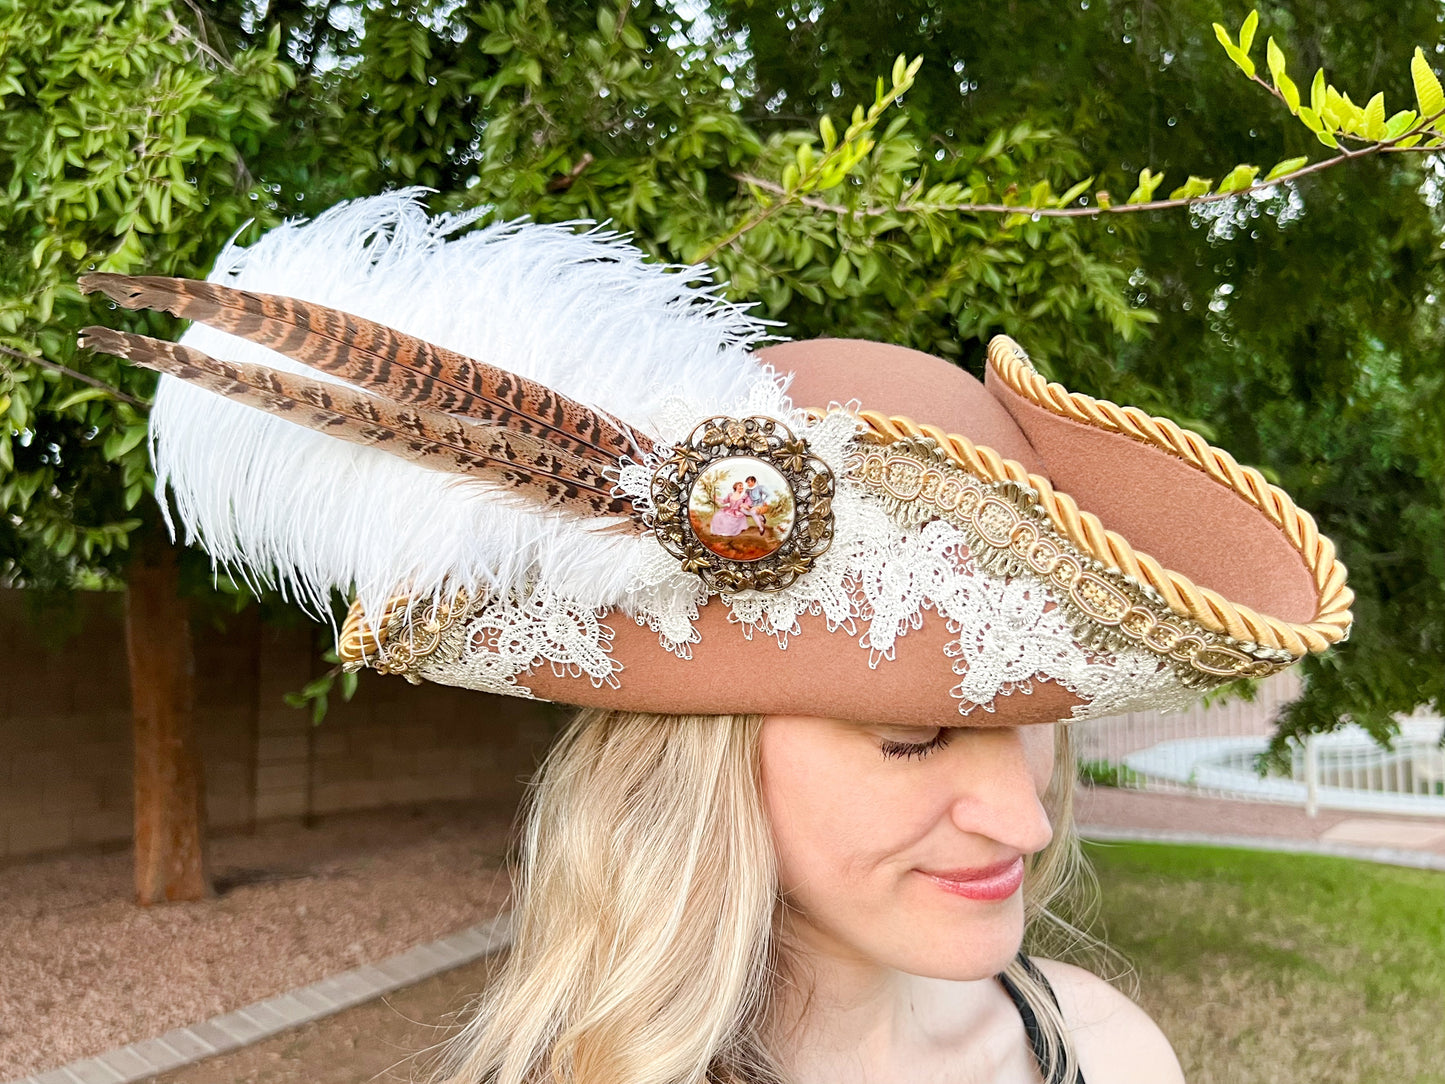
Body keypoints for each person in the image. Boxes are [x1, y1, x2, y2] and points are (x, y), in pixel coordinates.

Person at [80, 192, 1351, 1084]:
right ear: (702, 761)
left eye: (1032, 733)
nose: (1022, 820)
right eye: (913, 740)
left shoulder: (1112, 1055)